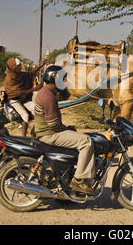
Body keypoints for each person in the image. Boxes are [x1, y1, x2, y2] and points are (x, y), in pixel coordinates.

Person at [34, 65, 96, 195]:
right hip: (49, 134)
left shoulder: (47, 92)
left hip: (47, 131)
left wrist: (67, 129)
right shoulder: (48, 96)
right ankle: (79, 180)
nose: (64, 82)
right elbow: (53, 124)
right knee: (86, 141)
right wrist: (67, 129)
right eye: (62, 79)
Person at [4, 57, 47, 136]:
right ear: (14, 67)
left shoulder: (19, 74)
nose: (21, 67)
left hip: (23, 99)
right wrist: (34, 89)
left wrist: (40, 66)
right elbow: (15, 93)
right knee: (25, 116)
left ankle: (34, 132)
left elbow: (30, 73)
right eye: (19, 66)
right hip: (14, 100)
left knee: (37, 111)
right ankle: (23, 137)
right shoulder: (9, 79)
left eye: (20, 65)